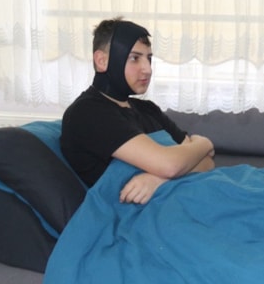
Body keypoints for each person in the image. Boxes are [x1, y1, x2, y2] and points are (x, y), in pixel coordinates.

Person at [61, 17, 215, 203]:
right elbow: (171, 165)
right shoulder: (87, 112)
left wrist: (159, 180)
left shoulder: (147, 109)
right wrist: (204, 143)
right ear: (102, 61)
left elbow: (206, 162)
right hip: (141, 213)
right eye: (135, 58)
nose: (147, 69)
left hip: (186, 195)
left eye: (149, 59)